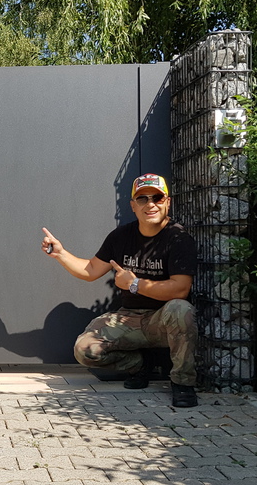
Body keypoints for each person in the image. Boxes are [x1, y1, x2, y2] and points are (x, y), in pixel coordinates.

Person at [41, 173, 199, 407]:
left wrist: (134, 284)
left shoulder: (178, 238)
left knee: (181, 309)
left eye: (157, 198)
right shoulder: (120, 237)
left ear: (167, 202)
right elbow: (90, 270)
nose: (150, 204)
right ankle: (140, 365)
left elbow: (180, 289)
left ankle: (183, 383)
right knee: (84, 350)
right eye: (143, 199)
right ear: (133, 206)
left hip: (163, 320)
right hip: (129, 318)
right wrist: (60, 254)